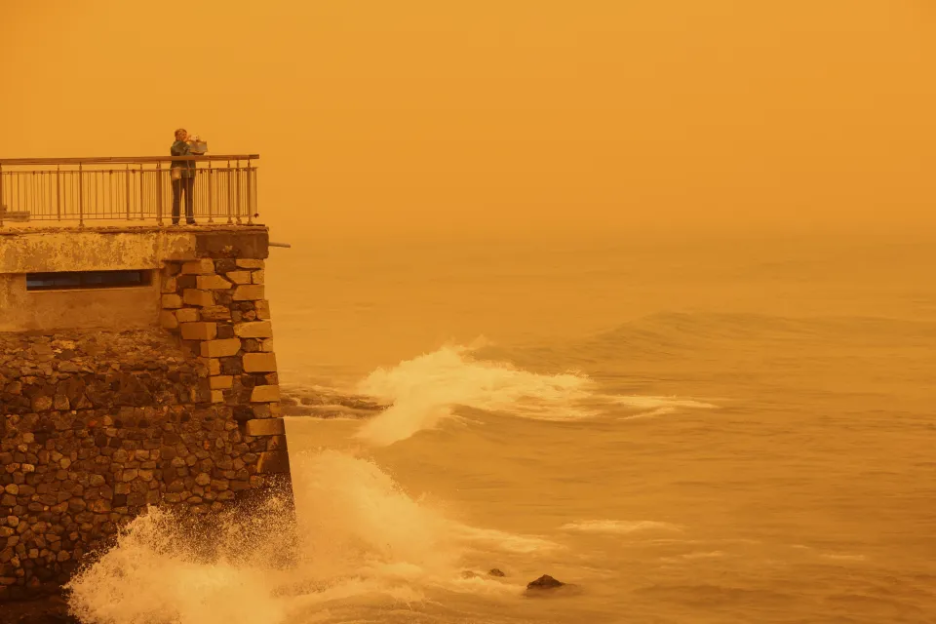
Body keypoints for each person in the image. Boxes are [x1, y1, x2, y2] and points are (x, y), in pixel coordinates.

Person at [170, 128, 197, 225]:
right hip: (178, 173)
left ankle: (190, 218)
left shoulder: (189, 146)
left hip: (189, 173)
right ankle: (175, 219)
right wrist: (184, 143)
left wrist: (197, 143)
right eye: (181, 134)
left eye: (184, 134)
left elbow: (199, 153)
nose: (183, 136)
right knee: (177, 197)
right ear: (176, 136)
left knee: (189, 197)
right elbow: (177, 152)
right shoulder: (175, 146)